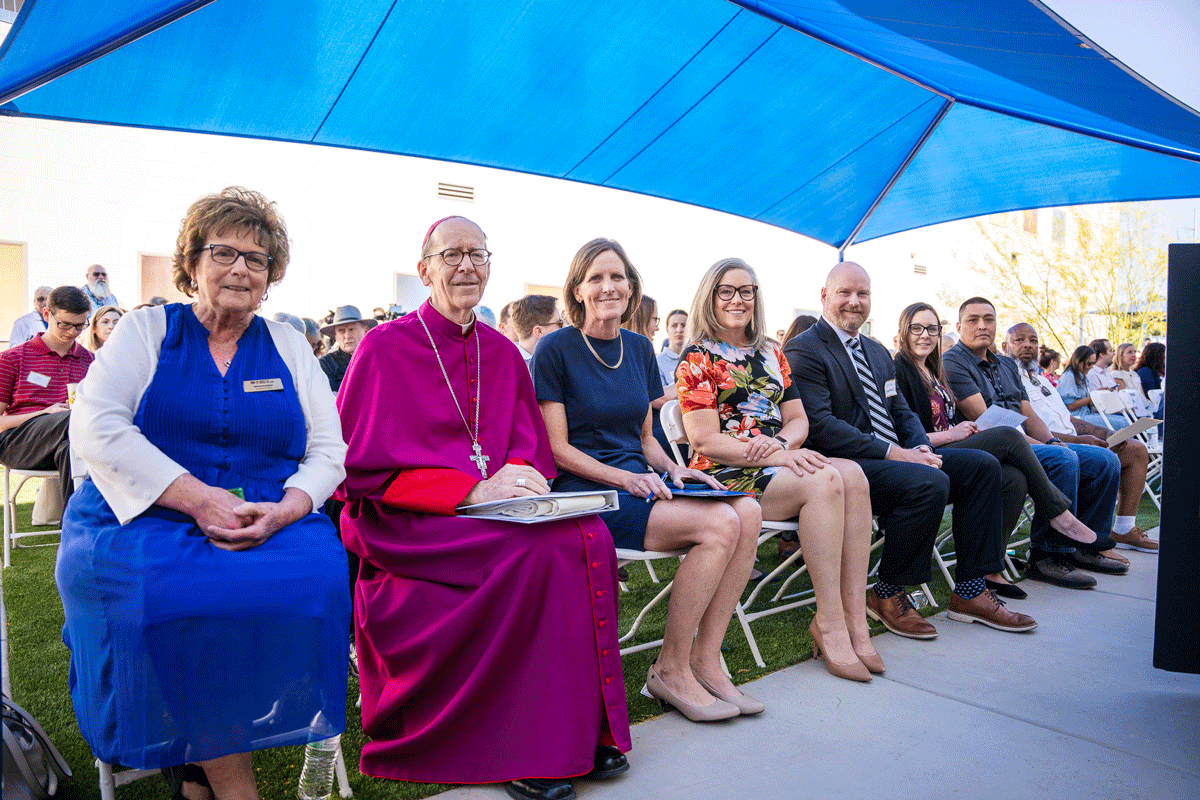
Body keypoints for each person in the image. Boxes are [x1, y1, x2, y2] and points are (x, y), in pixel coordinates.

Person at [55, 187, 350, 800]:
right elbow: (97, 425)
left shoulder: (290, 345)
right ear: (192, 263)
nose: (241, 268)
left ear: (269, 278)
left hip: (266, 516)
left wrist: (289, 508)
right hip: (143, 516)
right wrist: (196, 498)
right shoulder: (145, 330)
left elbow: (328, 451)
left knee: (317, 576)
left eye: (257, 259)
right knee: (177, 593)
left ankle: (194, 770)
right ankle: (230, 784)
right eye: (224, 253)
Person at [337, 217, 630, 800]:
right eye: (452, 255)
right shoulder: (384, 347)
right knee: (533, 555)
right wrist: (469, 491)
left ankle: (576, 729)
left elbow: (525, 444)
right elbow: (360, 468)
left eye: (478, 254)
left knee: (587, 536)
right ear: (424, 270)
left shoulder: (500, 351)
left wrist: (516, 478)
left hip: (492, 510)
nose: (467, 266)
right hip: (412, 519)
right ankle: (519, 747)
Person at [534, 238, 763, 722]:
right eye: (596, 278)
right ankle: (670, 670)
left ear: (631, 286)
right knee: (719, 525)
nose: (608, 287)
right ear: (577, 290)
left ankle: (706, 660)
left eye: (617, 277)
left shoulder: (638, 348)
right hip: (586, 490)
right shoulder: (555, 349)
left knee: (748, 509)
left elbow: (644, 439)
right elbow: (557, 449)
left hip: (639, 480)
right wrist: (627, 479)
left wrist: (672, 468)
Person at [785, 264, 1035, 640]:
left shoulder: (875, 351)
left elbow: (900, 410)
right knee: (927, 480)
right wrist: (897, 454)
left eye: (862, 293)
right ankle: (887, 593)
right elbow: (821, 425)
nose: (854, 301)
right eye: (844, 293)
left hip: (897, 458)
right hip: (845, 465)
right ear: (824, 296)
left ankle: (971, 590)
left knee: (983, 466)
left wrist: (919, 446)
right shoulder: (804, 348)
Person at [678, 258, 881, 680]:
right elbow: (704, 441)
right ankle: (829, 622)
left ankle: (855, 619)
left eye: (746, 291)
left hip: (779, 461)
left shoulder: (772, 352)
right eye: (726, 291)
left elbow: (799, 420)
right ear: (710, 297)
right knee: (825, 480)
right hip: (725, 470)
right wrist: (775, 456)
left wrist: (784, 446)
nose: (737, 299)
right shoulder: (697, 357)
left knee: (854, 476)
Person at [893, 302, 1097, 600]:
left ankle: (989, 569)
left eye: (932, 329)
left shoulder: (933, 370)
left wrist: (959, 430)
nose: (925, 335)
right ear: (904, 332)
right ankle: (1056, 512)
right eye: (917, 328)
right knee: (1008, 436)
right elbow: (901, 434)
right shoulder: (899, 370)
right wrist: (952, 433)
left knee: (1013, 477)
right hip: (923, 455)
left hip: (952, 447)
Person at [942, 298, 1131, 588]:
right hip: (991, 444)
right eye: (973, 320)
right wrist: (1048, 448)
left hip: (1023, 440)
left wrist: (1052, 440)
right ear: (959, 326)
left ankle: (1082, 549)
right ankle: (1047, 556)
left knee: (1104, 460)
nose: (982, 326)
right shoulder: (954, 361)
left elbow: (1027, 413)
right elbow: (985, 420)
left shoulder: (1006, 364)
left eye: (989, 319)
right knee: (1063, 459)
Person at [1004, 323, 1158, 555]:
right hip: (1048, 446)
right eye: (1019, 340)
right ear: (1005, 346)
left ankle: (1124, 529)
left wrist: (1105, 433)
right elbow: (1027, 430)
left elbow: (1069, 418)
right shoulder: (1008, 381)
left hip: (1073, 440)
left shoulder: (1042, 381)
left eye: (1033, 341)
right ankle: (1084, 544)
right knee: (1102, 458)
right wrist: (1080, 441)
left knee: (1135, 449)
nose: (1028, 345)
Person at [0, 286, 94, 508]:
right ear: (46, 314)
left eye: (80, 325)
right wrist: (44, 413)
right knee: (76, 419)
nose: (72, 332)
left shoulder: (92, 362)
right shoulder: (12, 358)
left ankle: (72, 527)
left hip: (71, 444)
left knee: (70, 448)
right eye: (65, 324)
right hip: (18, 443)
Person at [1057, 345, 1129, 430]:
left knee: (1125, 420)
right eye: (1089, 364)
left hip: (1086, 414)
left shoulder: (1082, 376)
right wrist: (1093, 397)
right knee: (1121, 424)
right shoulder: (1069, 376)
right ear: (1079, 361)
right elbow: (1071, 406)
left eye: (1093, 363)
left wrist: (1100, 393)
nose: (1091, 367)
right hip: (1076, 419)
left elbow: (1086, 404)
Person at [318, 305, 376, 393]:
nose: (347, 336)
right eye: (341, 331)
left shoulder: (377, 359)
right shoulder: (327, 364)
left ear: (365, 330)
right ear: (335, 335)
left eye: (351, 329)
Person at [511, 294, 563, 370]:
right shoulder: (511, 366)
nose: (563, 329)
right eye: (559, 324)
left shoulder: (554, 360)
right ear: (539, 331)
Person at [656, 308, 688, 389]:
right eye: (674, 325)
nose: (679, 330)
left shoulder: (697, 358)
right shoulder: (658, 362)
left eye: (683, 325)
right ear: (667, 329)